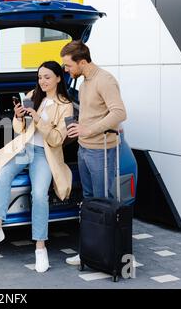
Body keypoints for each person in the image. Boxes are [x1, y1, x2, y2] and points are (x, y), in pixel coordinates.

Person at [0, 61, 74, 273]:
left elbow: (58, 139)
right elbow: (19, 129)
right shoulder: (32, 94)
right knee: (4, 173)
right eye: (40, 77)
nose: (42, 81)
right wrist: (18, 116)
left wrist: (38, 119)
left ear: (59, 78)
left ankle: (40, 249)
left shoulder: (66, 105)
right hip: (24, 149)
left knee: (40, 194)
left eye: (47, 77)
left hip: (45, 154)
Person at [60, 40, 127, 266]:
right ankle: (90, 251)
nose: (66, 70)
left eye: (68, 66)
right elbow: (94, 112)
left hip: (101, 151)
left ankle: (107, 254)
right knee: (89, 203)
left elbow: (119, 113)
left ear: (82, 61)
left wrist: (89, 128)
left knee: (103, 202)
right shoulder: (85, 82)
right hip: (84, 149)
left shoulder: (104, 80)